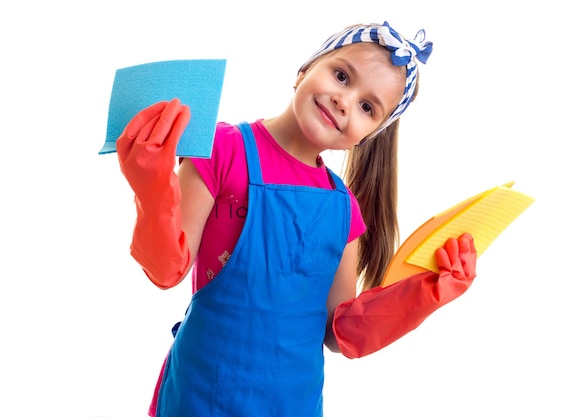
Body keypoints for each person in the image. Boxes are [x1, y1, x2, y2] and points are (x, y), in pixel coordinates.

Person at [116, 21, 478, 417]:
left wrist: (423, 292)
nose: (345, 101)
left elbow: (339, 334)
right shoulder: (223, 150)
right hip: (203, 395)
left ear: (368, 135)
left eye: (367, 107)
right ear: (304, 70)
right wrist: (153, 189)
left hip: (292, 405)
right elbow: (167, 269)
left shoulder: (344, 210)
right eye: (341, 75)